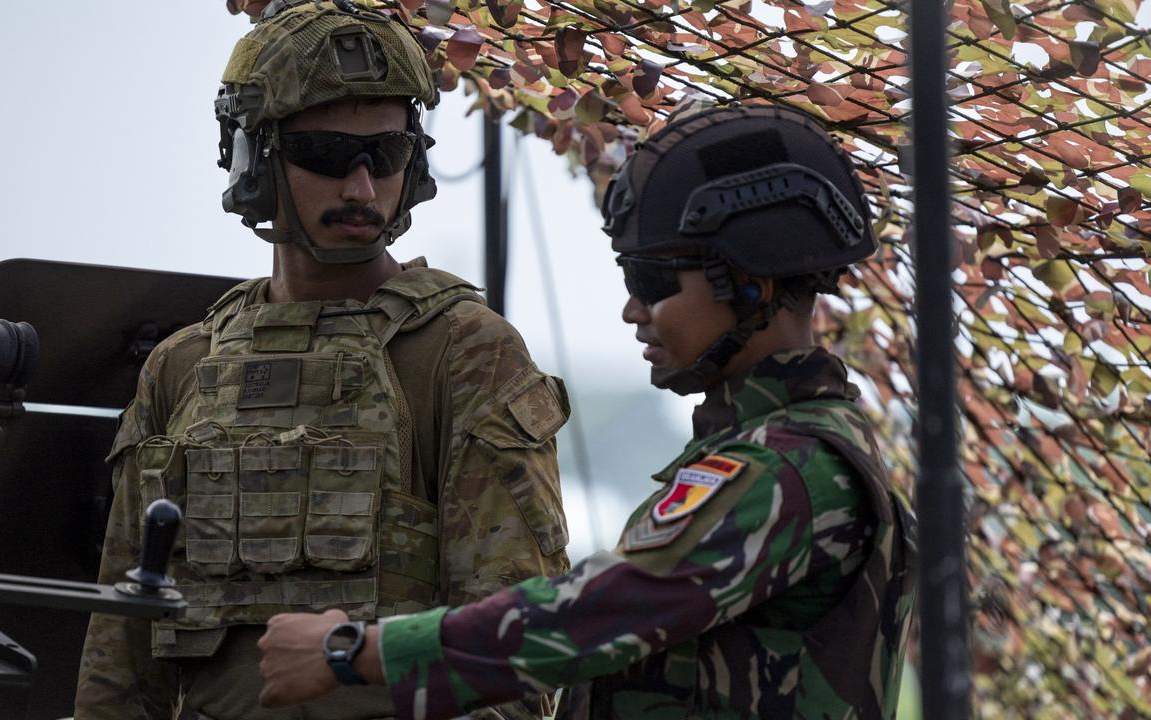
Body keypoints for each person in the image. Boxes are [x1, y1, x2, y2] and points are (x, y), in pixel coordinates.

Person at [253, 104, 919, 719]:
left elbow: (599, 614)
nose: (633, 310)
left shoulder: (786, 469)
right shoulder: (787, 451)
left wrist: (352, 652)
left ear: (754, 283)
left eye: (652, 282)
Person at [73, 2, 572, 718]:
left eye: (389, 155)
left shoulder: (461, 353)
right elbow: (120, 659)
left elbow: (508, 656)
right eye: (329, 157)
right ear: (255, 154)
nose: (363, 188)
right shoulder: (183, 367)